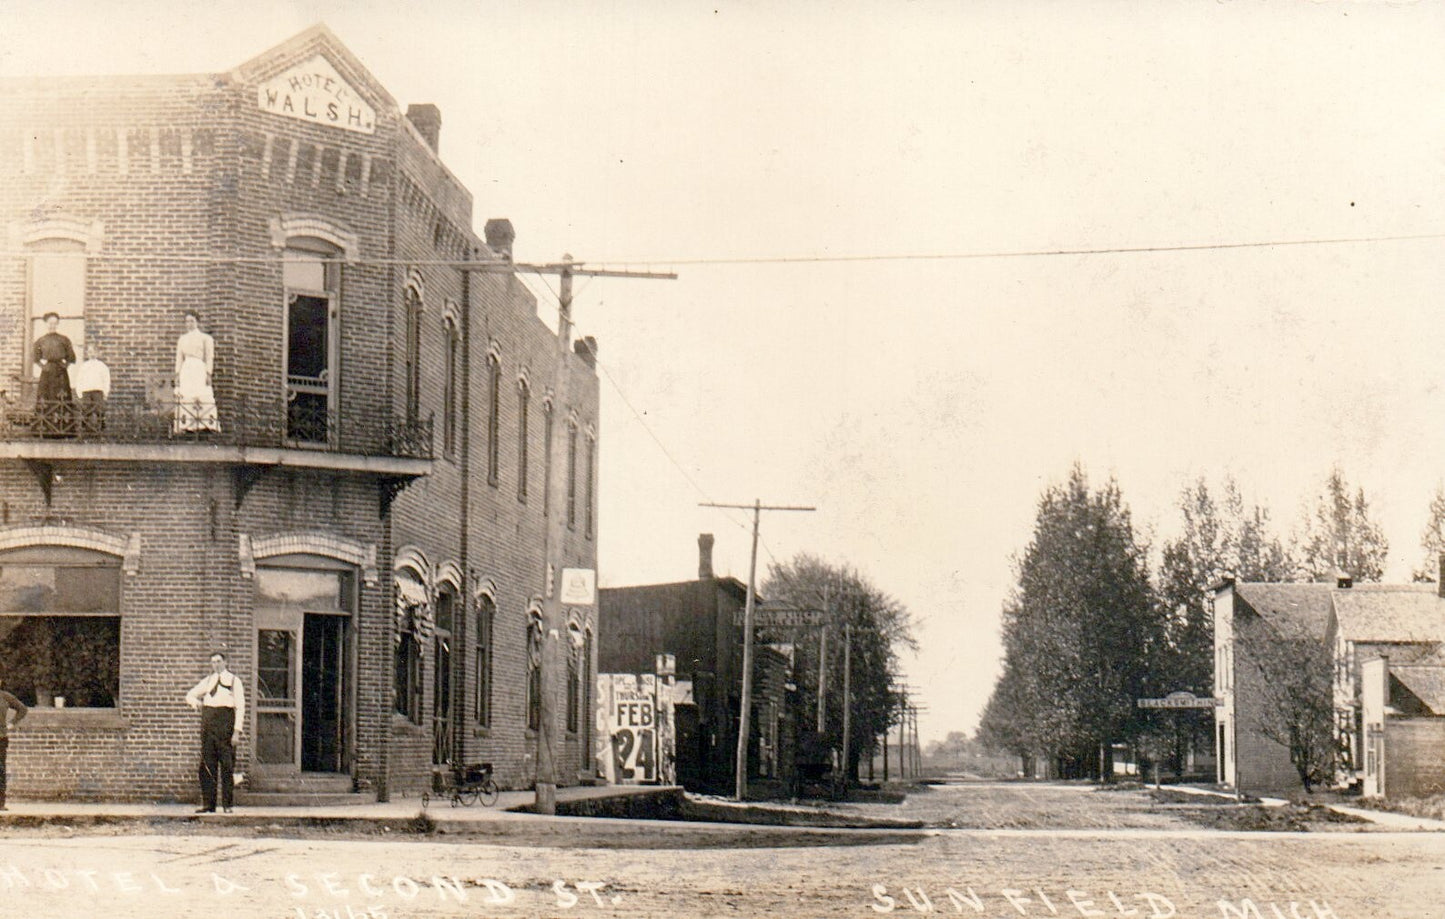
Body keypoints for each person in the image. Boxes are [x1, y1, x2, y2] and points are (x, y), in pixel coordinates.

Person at [185, 651, 245, 814]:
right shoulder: (208, 680)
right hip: (208, 727)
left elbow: (240, 707)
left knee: (227, 765)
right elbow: (189, 695)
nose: (216, 665)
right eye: (213, 662)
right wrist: (196, 703)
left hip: (225, 726)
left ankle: (227, 805)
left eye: (218, 661)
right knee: (207, 765)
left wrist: (236, 732)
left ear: (225, 662)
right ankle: (209, 805)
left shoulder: (234, 681)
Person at [174, 310, 219, 433]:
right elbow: (179, 358)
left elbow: (209, 357)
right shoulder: (182, 339)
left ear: (197, 322)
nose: (189, 324)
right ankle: (187, 427)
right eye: (187, 321)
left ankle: (204, 427)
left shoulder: (205, 338)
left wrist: (208, 373)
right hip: (186, 369)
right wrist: (177, 374)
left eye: (192, 321)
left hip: (199, 369)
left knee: (201, 396)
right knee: (187, 396)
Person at [32, 312, 76, 436]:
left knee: (61, 398)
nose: (52, 325)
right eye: (50, 323)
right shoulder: (41, 340)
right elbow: (35, 357)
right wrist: (43, 366)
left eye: (54, 323)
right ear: (46, 324)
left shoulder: (64, 339)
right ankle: (44, 429)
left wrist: (64, 365)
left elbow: (71, 357)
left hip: (61, 373)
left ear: (57, 324)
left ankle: (63, 430)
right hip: (47, 373)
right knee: (46, 397)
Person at [0, 673, 29, 812]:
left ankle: (0, 802)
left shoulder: (5, 697)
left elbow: (22, 709)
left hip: (0, 738)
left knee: (0, 770)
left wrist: (11, 723)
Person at [73, 340, 111, 435]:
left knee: (99, 410)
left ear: (98, 353)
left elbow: (106, 380)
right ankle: (85, 429)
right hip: (86, 391)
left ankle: (100, 429)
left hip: (98, 390)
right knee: (86, 409)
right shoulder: (84, 366)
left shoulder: (102, 366)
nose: (92, 354)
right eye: (90, 352)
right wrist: (79, 392)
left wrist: (105, 392)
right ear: (87, 353)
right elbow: (79, 380)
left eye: (94, 352)